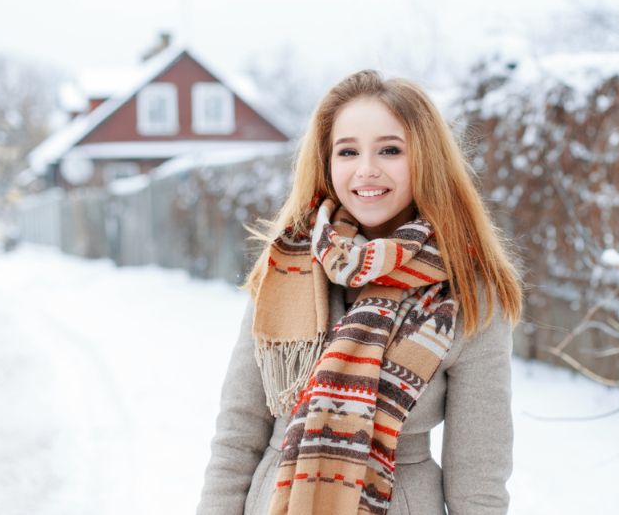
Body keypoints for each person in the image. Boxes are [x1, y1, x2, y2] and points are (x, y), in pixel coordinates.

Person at [196, 69, 523, 515]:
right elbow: (237, 436)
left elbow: (478, 482)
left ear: (426, 158)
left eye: (389, 149)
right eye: (347, 151)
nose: (366, 169)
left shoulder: (467, 293)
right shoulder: (287, 269)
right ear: (327, 163)